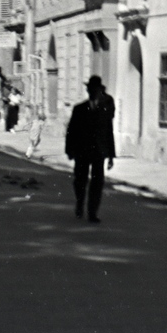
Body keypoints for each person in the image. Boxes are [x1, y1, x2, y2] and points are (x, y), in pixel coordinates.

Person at [64, 75, 116, 223]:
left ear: (100, 90)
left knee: (97, 183)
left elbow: (108, 133)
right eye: (90, 89)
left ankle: (92, 212)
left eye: (95, 89)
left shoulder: (104, 110)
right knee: (79, 180)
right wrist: (69, 150)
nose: (92, 92)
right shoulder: (79, 109)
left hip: (98, 152)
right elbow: (71, 130)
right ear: (87, 90)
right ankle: (80, 202)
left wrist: (111, 156)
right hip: (81, 151)